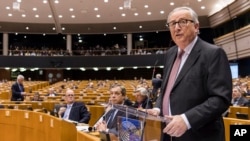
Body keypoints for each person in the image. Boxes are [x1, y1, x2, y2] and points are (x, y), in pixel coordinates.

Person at [147, 7, 232, 141]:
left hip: (199, 135)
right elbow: (167, 90)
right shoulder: (170, 54)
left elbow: (220, 99)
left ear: (196, 26)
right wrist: (158, 108)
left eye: (183, 21)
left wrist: (187, 120)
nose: (177, 27)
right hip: (169, 133)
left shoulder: (213, 53)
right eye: (172, 24)